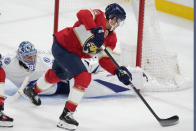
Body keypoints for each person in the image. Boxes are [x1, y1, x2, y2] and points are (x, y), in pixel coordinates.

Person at [21, 3, 132, 130]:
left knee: (59, 74)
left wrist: (117, 71)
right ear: (112, 17)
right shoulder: (99, 16)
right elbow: (82, 13)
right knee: (84, 77)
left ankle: (32, 91)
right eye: (118, 20)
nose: (118, 24)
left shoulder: (111, 39)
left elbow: (104, 60)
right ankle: (66, 115)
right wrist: (96, 29)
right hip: (62, 44)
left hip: (71, 54)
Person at [0, 41, 55, 127]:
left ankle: (32, 90)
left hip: (45, 82)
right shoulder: (8, 63)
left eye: (33, 56)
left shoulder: (44, 61)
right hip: (41, 85)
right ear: (19, 57)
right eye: (28, 57)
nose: (32, 59)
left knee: (55, 84)